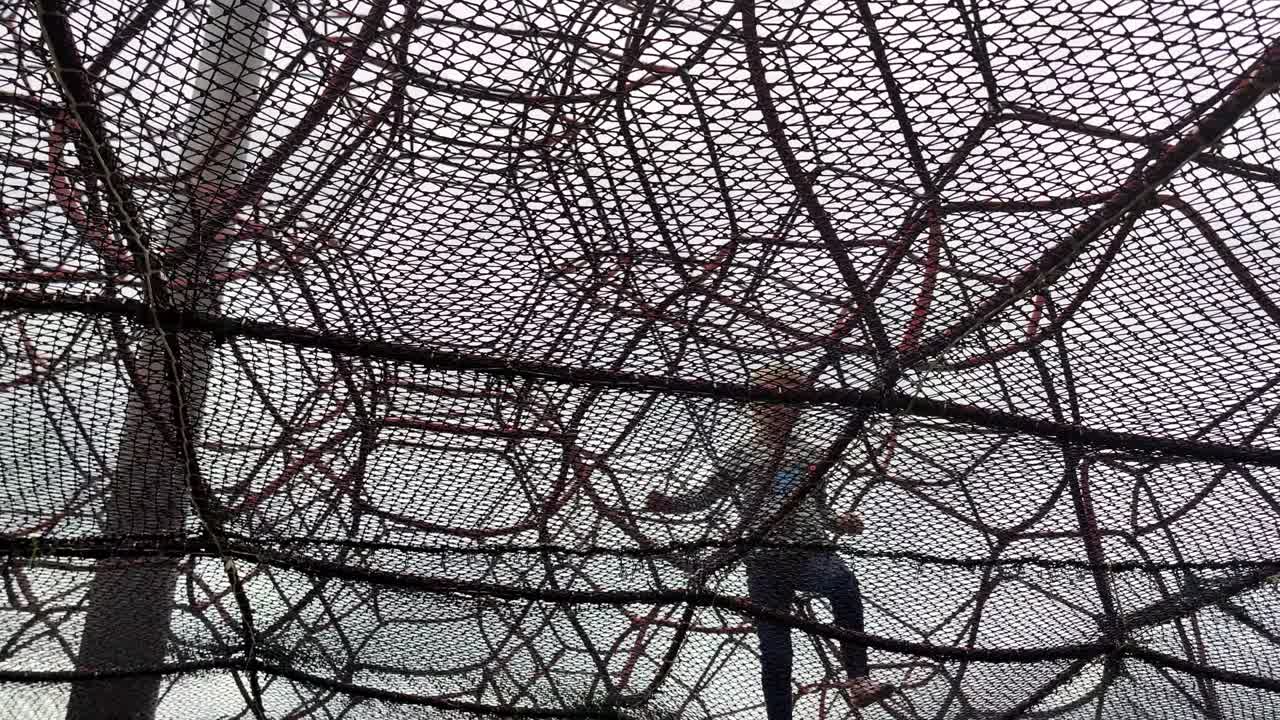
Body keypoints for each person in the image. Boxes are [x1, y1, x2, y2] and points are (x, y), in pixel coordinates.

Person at [644, 365, 893, 717]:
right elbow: (705, 496)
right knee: (776, 649)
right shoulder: (743, 453)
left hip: (810, 550)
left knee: (843, 583)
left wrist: (840, 522)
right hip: (764, 559)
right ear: (755, 408)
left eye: (787, 400)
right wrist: (670, 504)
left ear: (800, 406)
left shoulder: (811, 453)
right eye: (767, 401)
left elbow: (819, 508)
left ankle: (858, 678)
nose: (778, 408)